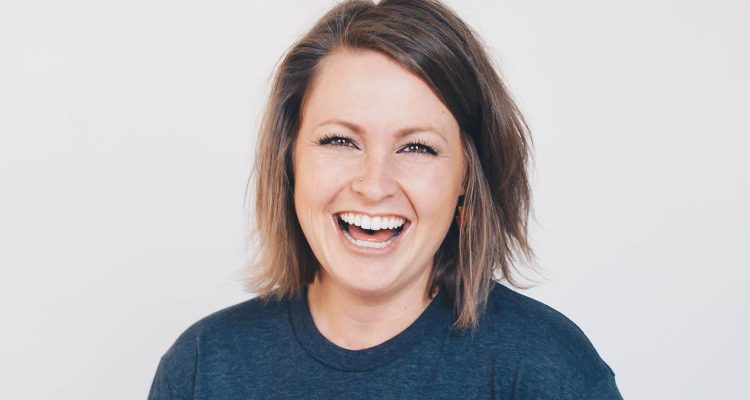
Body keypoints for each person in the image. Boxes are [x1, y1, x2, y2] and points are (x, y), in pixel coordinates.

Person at [148, 0, 622, 398]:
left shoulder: (548, 369)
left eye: (417, 148)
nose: (374, 186)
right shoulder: (202, 368)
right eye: (339, 141)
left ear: (466, 176)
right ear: (290, 160)